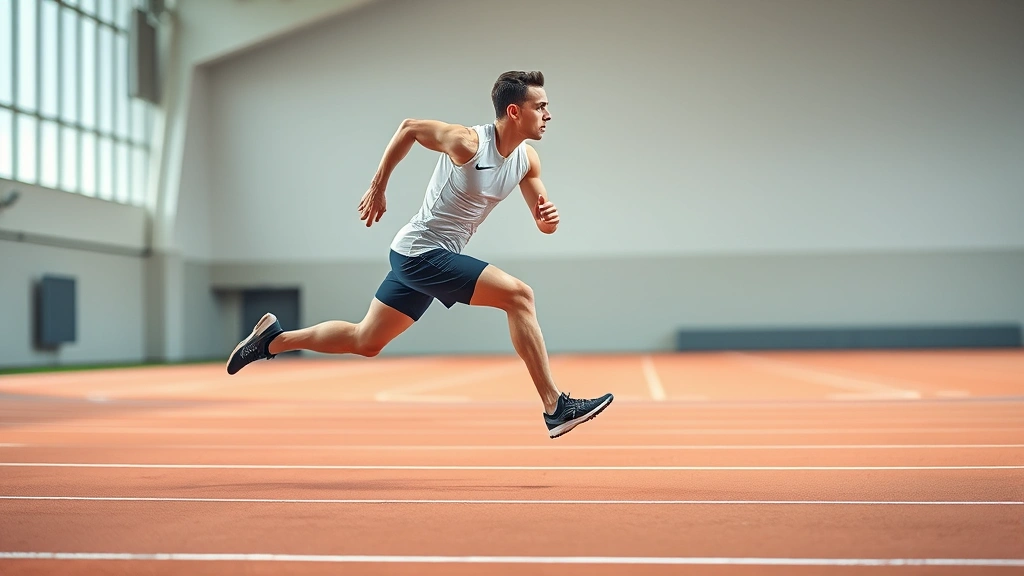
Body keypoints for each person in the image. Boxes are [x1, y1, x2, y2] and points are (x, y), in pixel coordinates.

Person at [226, 71, 613, 438]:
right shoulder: (467, 142)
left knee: (366, 340)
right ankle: (555, 407)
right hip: (420, 252)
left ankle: (271, 341)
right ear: (515, 111)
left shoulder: (527, 160)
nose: (548, 114)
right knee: (519, 296)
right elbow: (409, 127)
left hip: (420, 257)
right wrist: (378, 187)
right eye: (541, 106)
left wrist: (547, 220)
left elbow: (542, 218)